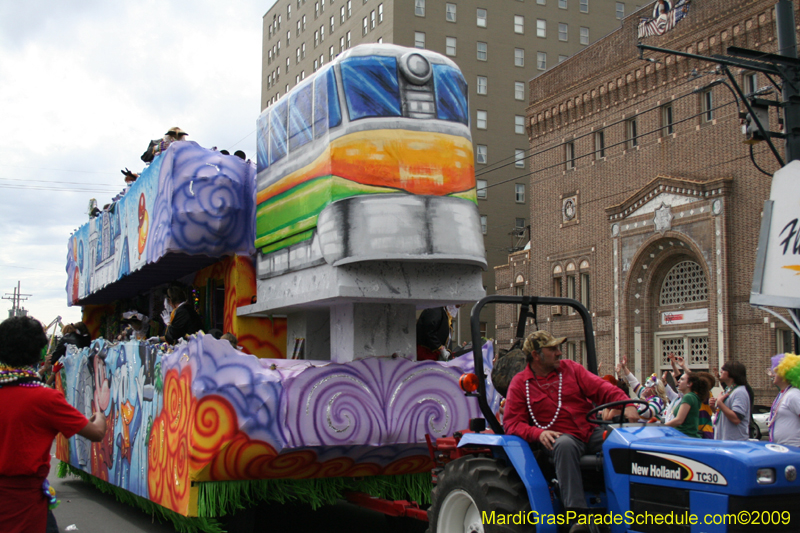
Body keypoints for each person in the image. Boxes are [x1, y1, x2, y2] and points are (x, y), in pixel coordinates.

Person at [504, 331, 637, 532]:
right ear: (536, 356)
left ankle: (631, 504)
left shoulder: (572, 369)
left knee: (623, 440)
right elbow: (512, 424)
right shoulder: (520, 384)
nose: (559, 353)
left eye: (559, 348)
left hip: (588, 431)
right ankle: (577, 517)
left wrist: (627, 404)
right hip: (557, 438)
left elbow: (602, 389)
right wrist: (538, 433)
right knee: (564, 445)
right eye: (553, 349)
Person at [0, 316, 106, 533]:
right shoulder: (45, 399)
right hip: (26, 508)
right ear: (40, 352)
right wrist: (100, 415)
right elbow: (96, 433)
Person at [617, 356, 667, 420]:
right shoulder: (645, 395)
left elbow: (647, 414)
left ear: (654, 388)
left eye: (649, 385)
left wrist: (642, 398)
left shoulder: (657, 400)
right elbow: (633, 382)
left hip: (649, 428)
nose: (645, 387)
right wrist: (624, 367)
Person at [710, 362, 751, 441]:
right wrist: (714, 408)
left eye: (723, 369)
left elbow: (736, 419)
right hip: (723, 441)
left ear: (732, 373)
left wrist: (720, 403)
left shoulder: (740, 392)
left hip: (734, 443)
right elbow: (725, 414)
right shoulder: (728, 390)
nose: (720, 371)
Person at [768, 353, 800, 446]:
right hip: (782, 449)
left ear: (785, 373)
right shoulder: (783, 394)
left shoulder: (794, 395)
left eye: (776, 372)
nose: (772, 375)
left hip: (794, 449)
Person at [664, 372, 708, 438]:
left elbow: (679, 420)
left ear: (689, 384)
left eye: (682, 379)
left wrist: (660, 427)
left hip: (684, 437)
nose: (678, 381)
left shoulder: (689, 397)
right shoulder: (692, 396)